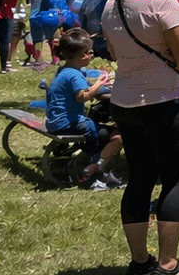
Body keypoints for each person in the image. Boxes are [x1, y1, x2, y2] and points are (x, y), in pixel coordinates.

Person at [102, 0, 179, 275]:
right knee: (177, 178)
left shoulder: (111, 3)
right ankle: (168, 265)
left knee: (139, 178)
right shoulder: (163, 1)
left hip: (124, 101)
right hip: (164, 100)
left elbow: (114, 53)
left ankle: (140, 263)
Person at [46, 28, 123, 188]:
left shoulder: (64, 70)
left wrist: (92, 87)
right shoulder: (75, 75)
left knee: (93, 124)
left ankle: (88, 154)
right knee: (95, 130)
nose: (92, 54)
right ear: (83, 55)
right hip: (68, 123)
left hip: (53, 121)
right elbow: (82, 96)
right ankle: (93, 156)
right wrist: (99, 84)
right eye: (90, 52)